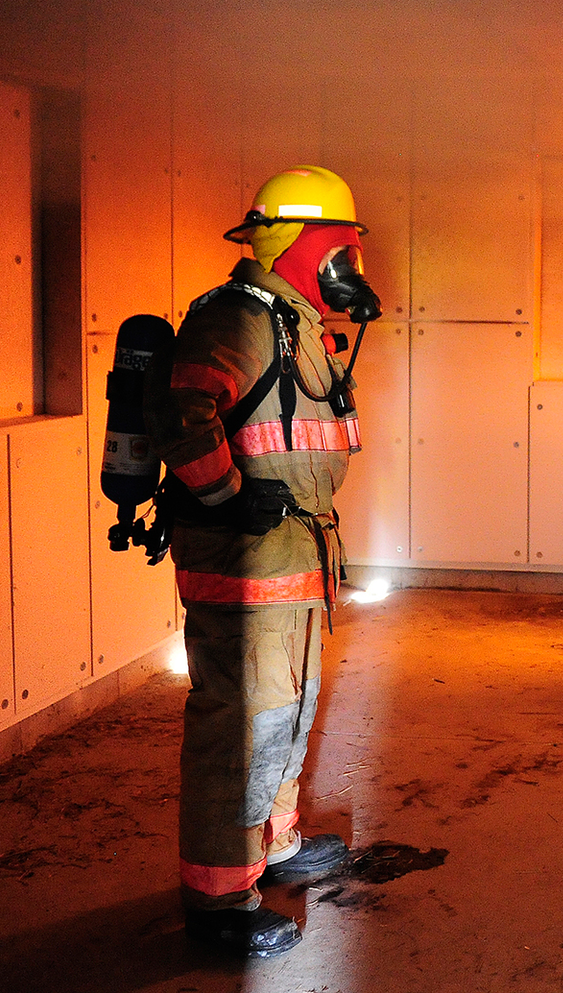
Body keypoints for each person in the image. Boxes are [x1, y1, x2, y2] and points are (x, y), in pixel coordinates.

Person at [153, 164, 382, 958]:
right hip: (246, 568)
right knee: (240, 730)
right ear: (301, 248)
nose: (351, 273)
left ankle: (273, 845)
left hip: (294, 562)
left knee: (285, 715)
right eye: (342, 256)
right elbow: (184, 414)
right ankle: (219, 903)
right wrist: (221, 497)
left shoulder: (294, 324)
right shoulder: (240, 317)